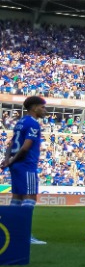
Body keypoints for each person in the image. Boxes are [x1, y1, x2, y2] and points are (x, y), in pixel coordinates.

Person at [1, 95, 48, 245]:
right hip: (26, 164)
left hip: (16, 165)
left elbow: (10, 144)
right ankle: (25, 234)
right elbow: (26, 146)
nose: (44, 110)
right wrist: (12, 159)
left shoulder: (20, 122)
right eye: (42, 107)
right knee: (30, 198)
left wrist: (7, 159)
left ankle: (12, 232)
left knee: (17, 198)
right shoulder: (33, 124)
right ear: (34, 108)